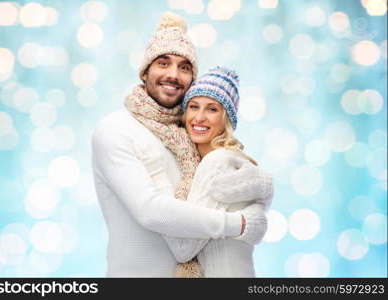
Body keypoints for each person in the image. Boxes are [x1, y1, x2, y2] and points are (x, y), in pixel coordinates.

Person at [91, 12, 272, 277]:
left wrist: (262, 187)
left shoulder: (191, 134)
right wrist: (241, 224)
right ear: (145, 71)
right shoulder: (115, 129)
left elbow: (225, 186)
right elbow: (149, 210)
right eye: (163, 63)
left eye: (184, 67)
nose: (173, 75)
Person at [140, 66, 273, 277]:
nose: (199, 117)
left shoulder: (217, 162)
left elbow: (183, 249)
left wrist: (157, 175)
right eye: (193, 107)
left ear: (226, 119)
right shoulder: (233, 162)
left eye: (212, 109)